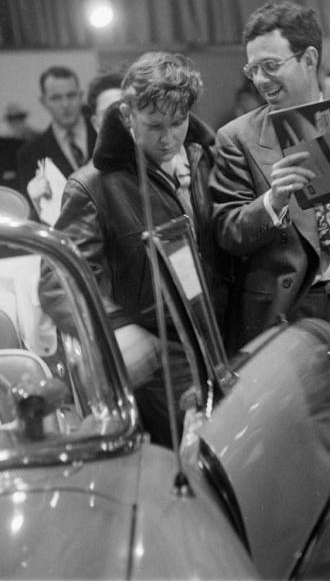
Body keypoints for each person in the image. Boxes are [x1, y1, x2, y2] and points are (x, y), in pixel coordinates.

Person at [39, 52, 227, 447]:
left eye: (179, 123)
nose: (168, 138)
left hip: (222, 336)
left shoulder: (205, 158)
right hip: (159, 351)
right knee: (191, 462)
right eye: (154, 125)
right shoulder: (93, 184)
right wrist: (117, 327)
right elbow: (59, 280)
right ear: (126, 115)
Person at [209, 1, 330, 357]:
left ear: (309, 58)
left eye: (270, 66)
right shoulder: (236, 138)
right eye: (252, 69)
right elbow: (227, 231)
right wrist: (272, 202)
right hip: (276, 321)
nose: (259, 80)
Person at [16, 66, 97, 216]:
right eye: (56, 98)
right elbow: (31, 215)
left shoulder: (102, 134)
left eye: (71, 95)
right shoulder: (30, 154)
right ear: (44, 101)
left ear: (80, 96)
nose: (65, 104)